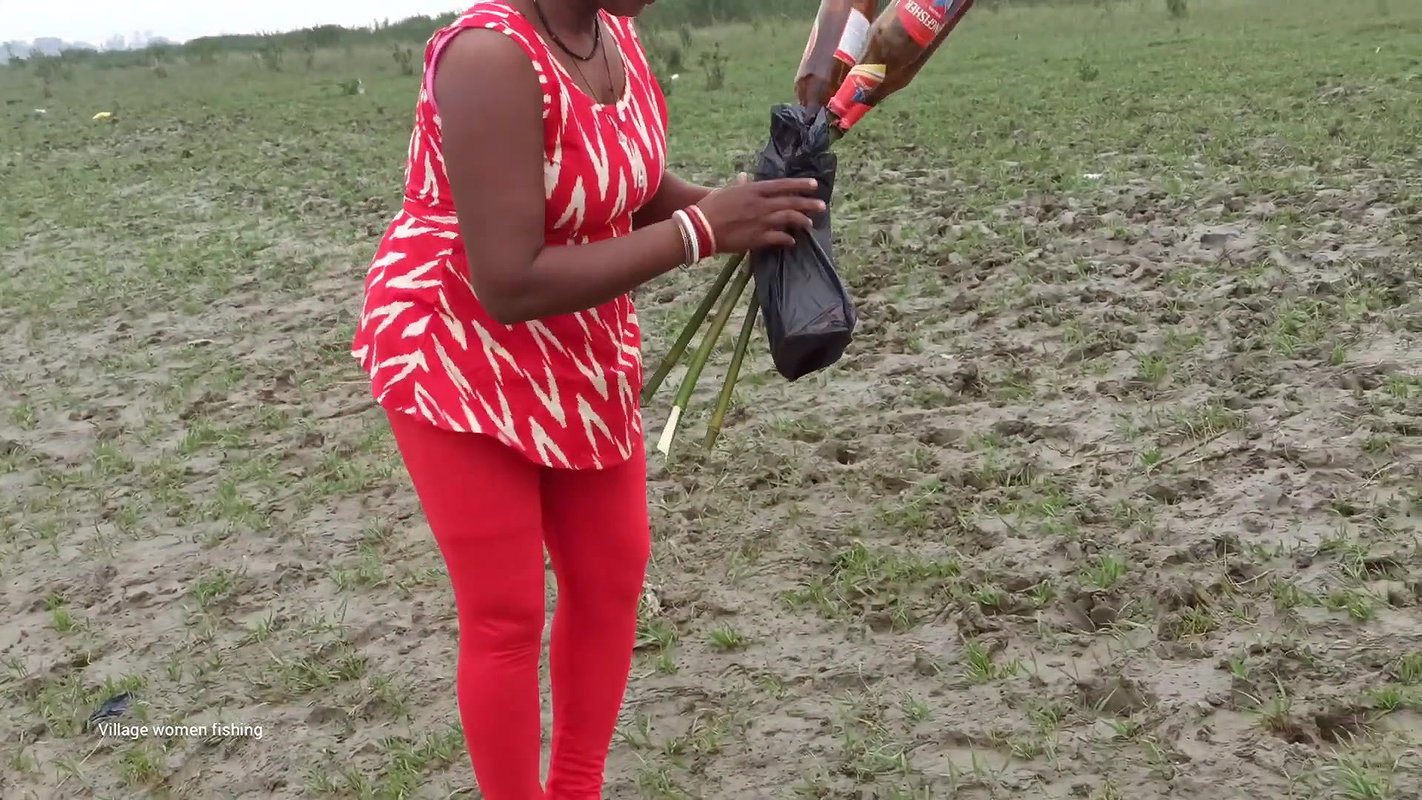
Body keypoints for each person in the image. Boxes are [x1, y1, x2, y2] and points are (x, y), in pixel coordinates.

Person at [349, 1, 824, 797]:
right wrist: (702, 232)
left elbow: (628, 181)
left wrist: (741, 207)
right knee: (505, 616)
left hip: (581, 342)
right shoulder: (487, 58)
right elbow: (508, 281)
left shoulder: (614, 31)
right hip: (459, 348)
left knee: (610, 575)